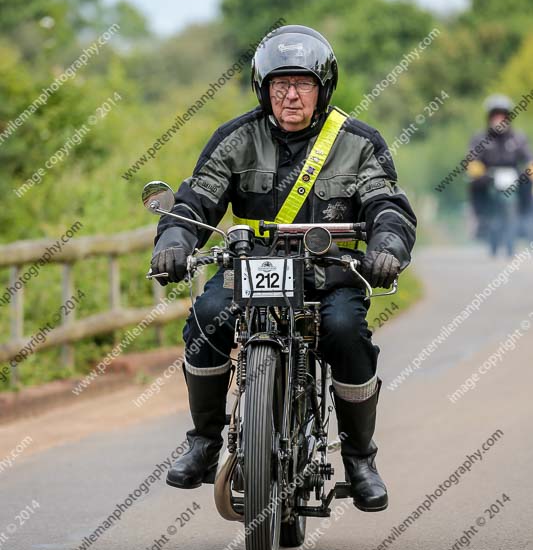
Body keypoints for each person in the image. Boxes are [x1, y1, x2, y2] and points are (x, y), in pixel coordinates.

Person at [151, 25, 416, 512]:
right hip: (249, 271)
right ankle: (206, 441)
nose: (290, 95)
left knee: (346, 330)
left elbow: (388, 205)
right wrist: (173, 240)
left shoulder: (357, 143)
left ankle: (359, 460)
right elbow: (195, 202)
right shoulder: (235, 140)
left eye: (303, 84)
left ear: (323, 88)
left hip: (329, 276)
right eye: (279, 84)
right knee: (208, 317)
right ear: (263, 88)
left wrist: (387, 246)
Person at [467, 94, 533, 255]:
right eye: (495, 115)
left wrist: (529, 170)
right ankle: (480, 217)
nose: (499, 119)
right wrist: (477, 170)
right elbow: (472, 158)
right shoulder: (480, 138)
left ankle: (526, 218)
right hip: (488, 177)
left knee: (528, 185)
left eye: (502, 115)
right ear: (489, 117)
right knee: (474, 184)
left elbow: (528, 158)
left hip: (513, 176)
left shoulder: (518, 138)